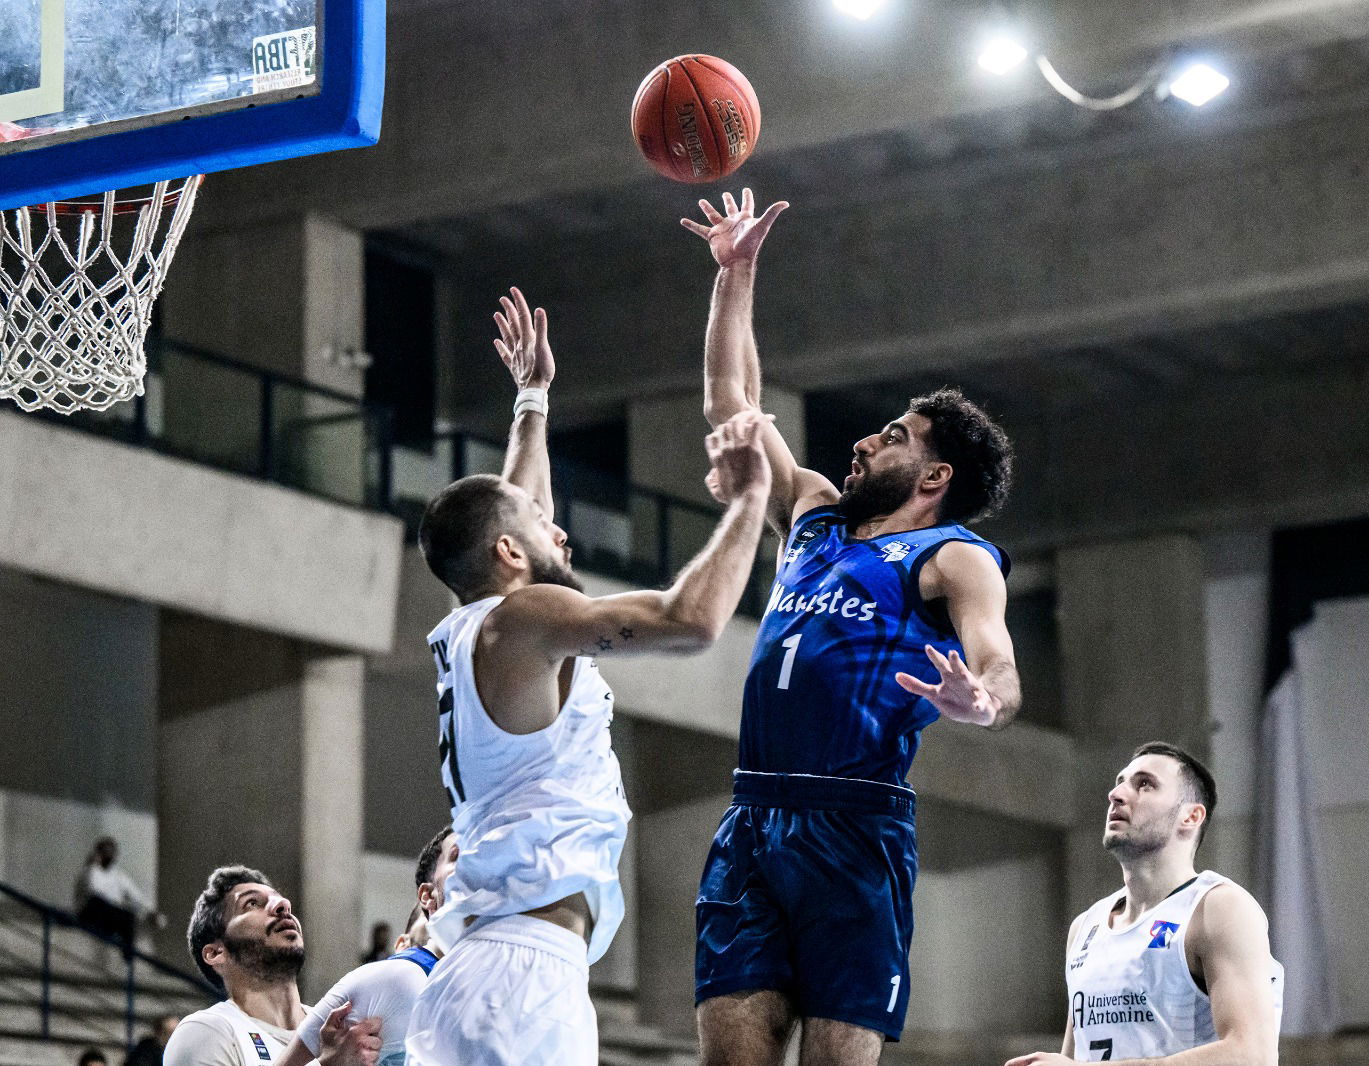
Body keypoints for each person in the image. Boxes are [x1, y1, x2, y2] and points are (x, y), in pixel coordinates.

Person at [682, 189, 1022, 1066]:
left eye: (894, 436)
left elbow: (999, 665)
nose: (867, 442)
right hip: (753, 815)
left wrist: (981, 702)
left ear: (934, 477)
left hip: (855, 830)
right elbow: (731, 401)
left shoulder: (953, 557)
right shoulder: (814, 514)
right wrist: (735, 275)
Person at [406, 290, 773, 1066]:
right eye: (543, 528)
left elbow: (516, 508)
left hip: (489, 969)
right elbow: (692, 620)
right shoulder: (524, 619)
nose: (559, 527)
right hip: (520, 978)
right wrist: (750, 500)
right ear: (510, 553)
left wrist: (532, 401)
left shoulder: (483, 624)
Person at [1005, 742, 1284, 1065]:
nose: (1116, 794)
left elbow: (1253, 1055)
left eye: (1145, 784)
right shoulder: (1085, 927)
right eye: (1120, 782)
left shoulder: (1218, 908)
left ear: (1190, 816)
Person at [274, 828, 458, 1066]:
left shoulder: (493, 986)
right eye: (458, 855)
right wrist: (328, 1063)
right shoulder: (398, 981)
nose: (479, 863)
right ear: (428, 896)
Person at [166, 865, 381, 1066]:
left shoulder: (345, 1031)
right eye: (252, 903)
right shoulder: (206, 1031)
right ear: (216, 953)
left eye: (280, 900)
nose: (283, 905)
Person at [74, 836, 163, 952]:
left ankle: (128, 955)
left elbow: (136, 896)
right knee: (98, 902)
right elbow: (93, 890)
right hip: (91, 913)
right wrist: (94, 865)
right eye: (105, 851)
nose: (108, 855)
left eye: (111, 852)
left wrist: (149, 910)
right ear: (99, 853)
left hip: (110, 914)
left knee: (128, 916)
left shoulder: (118, 876)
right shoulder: (89, 871)